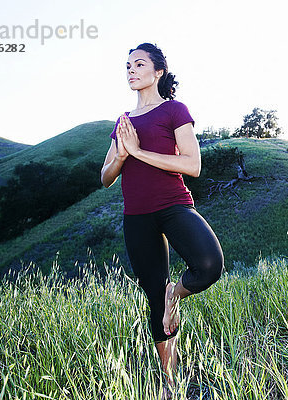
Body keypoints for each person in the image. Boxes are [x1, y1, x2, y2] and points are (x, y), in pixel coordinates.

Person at [100, 42, 223, 398]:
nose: (131, 70)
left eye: (139, 64)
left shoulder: (173, 110)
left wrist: (139, 151)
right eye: (127, 66)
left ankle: (177, 292)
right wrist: (123, 156)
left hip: (173, 205)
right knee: (154, 295)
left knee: (209, 265)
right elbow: (105, 177)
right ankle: (169, 382)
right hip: (136, 216)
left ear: (157, 72)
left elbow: (192, 165)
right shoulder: (123, 122)